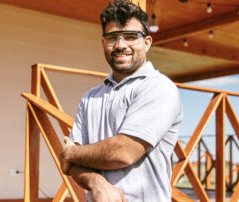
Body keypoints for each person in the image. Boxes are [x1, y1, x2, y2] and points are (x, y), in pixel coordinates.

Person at [59, 0, 183, 201]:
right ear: (103, 42)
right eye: (112, 37)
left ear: (147, 42)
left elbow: (124, 151)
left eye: (131, 36)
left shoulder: (158, 87)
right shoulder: (90, 97)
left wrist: (71, 153)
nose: (120, 45)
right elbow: (71, 164)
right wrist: (96, 183)